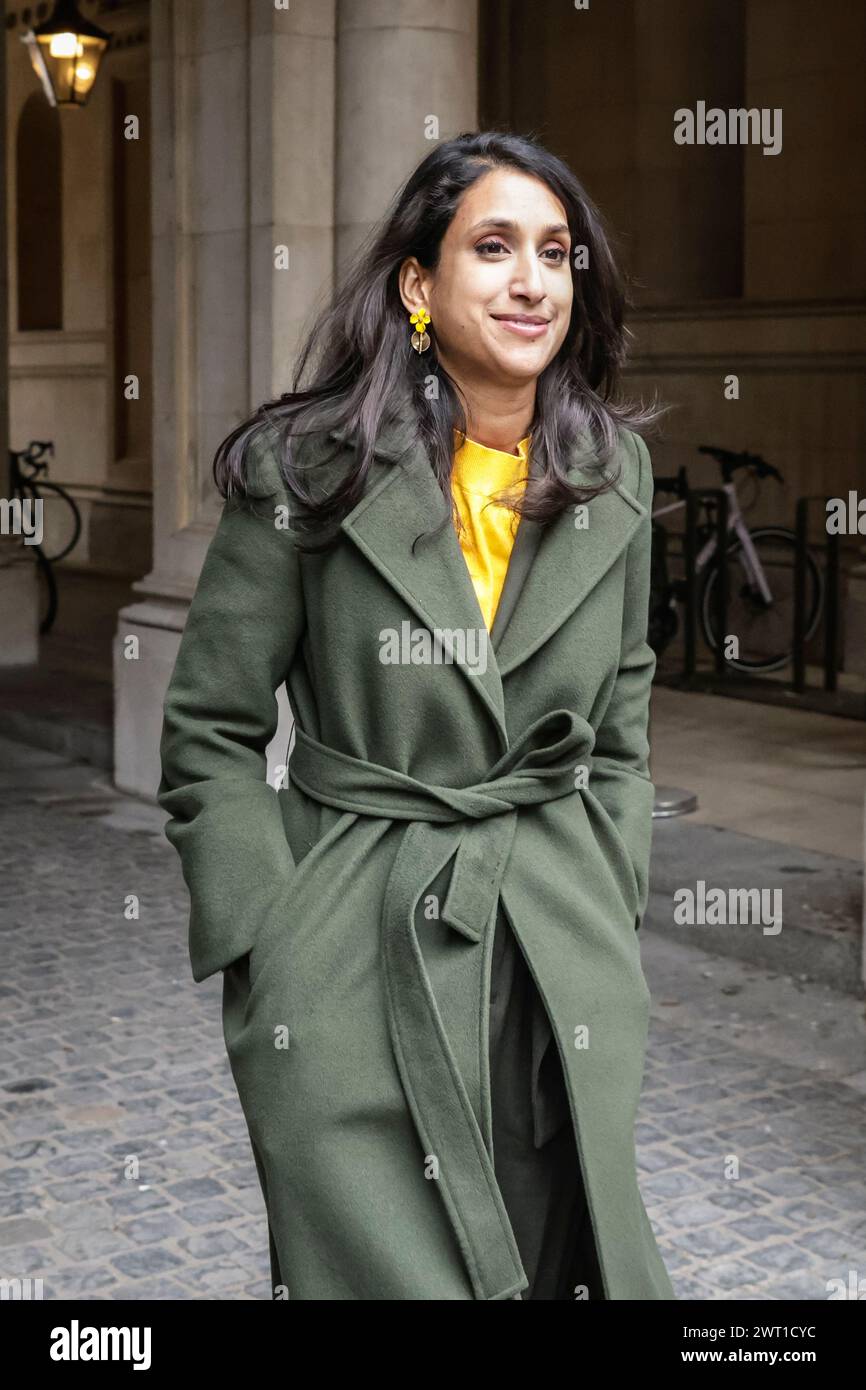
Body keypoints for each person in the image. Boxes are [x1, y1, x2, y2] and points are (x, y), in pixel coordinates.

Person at [158, 130, 676, 1301]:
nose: (532, 280)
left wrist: (608, 887)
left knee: (557, 1256)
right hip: (350, 947)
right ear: (416, 283)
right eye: (491, 247)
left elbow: (623, 723)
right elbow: (210, 730)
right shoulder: (304, 468)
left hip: (552, 945)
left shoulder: (614, 476)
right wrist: (268, 944)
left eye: (555, 252)